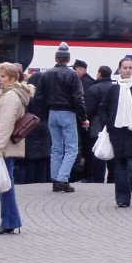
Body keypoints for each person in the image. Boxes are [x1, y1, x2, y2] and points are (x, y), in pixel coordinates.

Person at [97, 57, 132, 208]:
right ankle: (122, 199)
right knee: (120, 167)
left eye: (130, 68)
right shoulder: (113, 88)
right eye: (125, 68)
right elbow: (102, 108)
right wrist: (108, 124)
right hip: (117, 133)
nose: (128, 71)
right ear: (119, 69)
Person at [0, 62, 33, 234]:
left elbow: (6, 123)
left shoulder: (11, 96)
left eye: (3, 76)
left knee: (5, 184)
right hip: (5, 146)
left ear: (12, 78)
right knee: (5, 183)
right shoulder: (7, 94)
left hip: (5, 147)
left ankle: (9, 222)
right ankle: (10, 221)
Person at [35, 42, 89, 192]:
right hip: (67, 113)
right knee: (71, 148)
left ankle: (54, 179)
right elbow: (79, 98)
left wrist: (44, 115)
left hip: (52, 113)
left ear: (55, 58)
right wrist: (83, 117)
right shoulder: (72, 75)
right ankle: (63, 179)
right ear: (68, 59)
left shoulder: (46, 74)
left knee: (56, 148)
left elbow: (38, 98)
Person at [13, 71, 52, 184]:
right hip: (43, 127)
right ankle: (42, 181)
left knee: (30, 157)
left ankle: (30, 182)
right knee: (43, 157)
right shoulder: (46, 96)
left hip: (29, 127)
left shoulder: (28, 96)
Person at [84, 65, 116, 183]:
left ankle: (98, 178)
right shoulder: (115, 88)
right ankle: (112, 178)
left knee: (98, 151)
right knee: (112, 150)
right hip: (113, 124)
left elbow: (89, 109)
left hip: (97, 125)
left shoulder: (93, 89)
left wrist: (86, 120)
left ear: (99, 74)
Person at [72, 59, 96, 183]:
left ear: (81, 69)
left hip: (84, 122)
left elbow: (83, 103)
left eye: (74, 69)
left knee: (85, 148)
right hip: (86, 121)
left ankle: (86, 175)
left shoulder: (84, 84)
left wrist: (83, 118)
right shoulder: (89, 82)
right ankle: (87, 175)